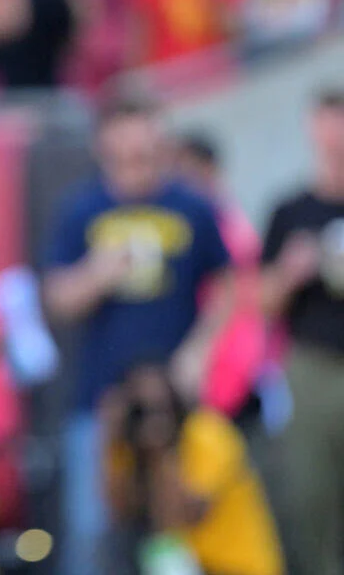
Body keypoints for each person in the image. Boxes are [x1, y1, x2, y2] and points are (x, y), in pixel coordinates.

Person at [43, 95, 234, 575]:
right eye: (122, 144)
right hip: (99, 399)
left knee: (183, 533)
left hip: (178, 407)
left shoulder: (192, 205)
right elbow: (58, 298)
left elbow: (231, 284)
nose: (134, 156)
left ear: (160, 139)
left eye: (143, 143)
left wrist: (200, 350)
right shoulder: (80, 209)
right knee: (92, 535)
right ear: (104, 144)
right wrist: (97, 274)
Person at [259, 88, 344, 575]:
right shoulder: (291, 211)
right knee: (312, 494)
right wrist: (292, 271)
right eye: (326, 124)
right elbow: (263, 301)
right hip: (312, 367)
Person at [102, 362, 283, 575]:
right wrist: (110, 439)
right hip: (187, 563)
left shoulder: (207, 434)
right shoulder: (127, 443)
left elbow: (186, 516)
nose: (152, 419)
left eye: (161, 408)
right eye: (141, 410)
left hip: (233, 566)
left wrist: (161, 455)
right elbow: (120, 511)